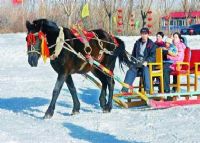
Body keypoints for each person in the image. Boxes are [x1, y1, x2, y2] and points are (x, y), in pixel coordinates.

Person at [121, 27, 156, 94]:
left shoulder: (152, 45)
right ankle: (124, 90)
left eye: (145, 34)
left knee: (145, 69)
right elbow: (133, 55)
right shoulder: (137, 43)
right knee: (131, 70)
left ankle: (147, 91)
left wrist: (147, 61)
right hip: (137, 63)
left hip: (147, 65)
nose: (144, 35)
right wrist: (132, 61)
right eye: (142, 34)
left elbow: (153, 56)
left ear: (148, 34)